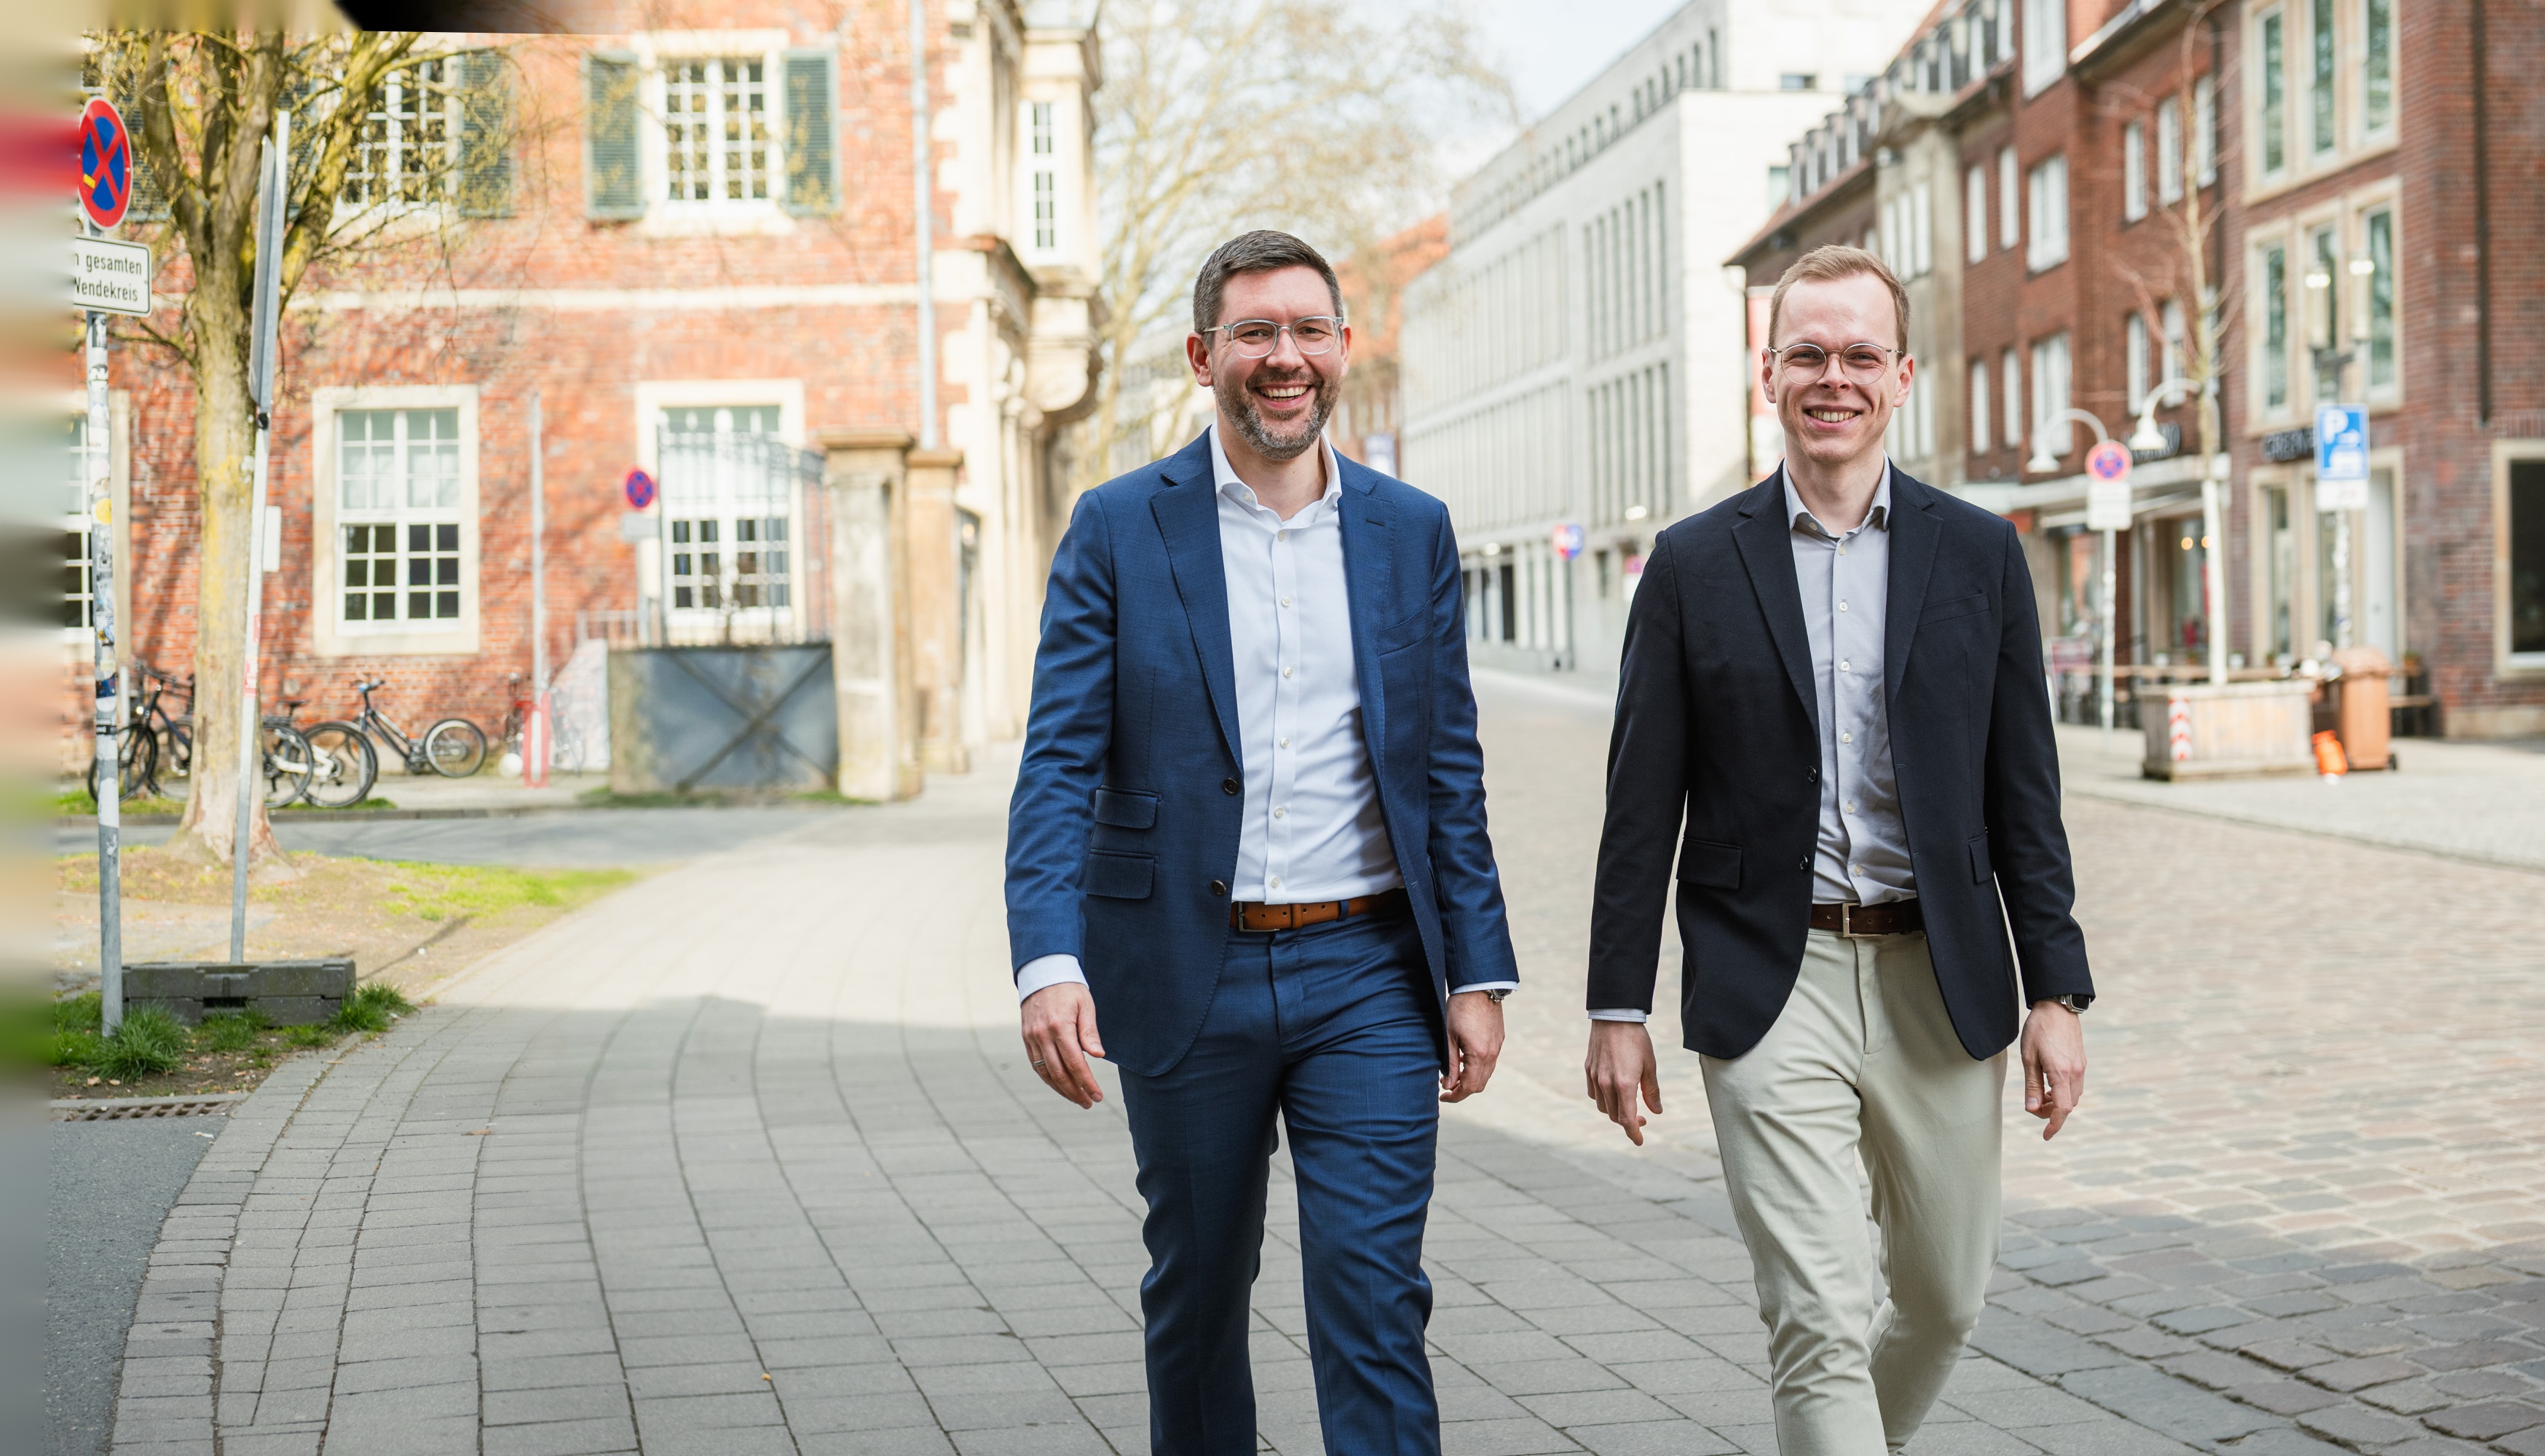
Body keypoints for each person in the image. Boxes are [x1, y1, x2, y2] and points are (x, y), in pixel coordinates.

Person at [1006, 229, 1518, 1456]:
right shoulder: (1119, 527)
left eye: (1307, 330)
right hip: (1185, 968)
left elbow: (1446, 767)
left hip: (1370, 974)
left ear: (1342, 348)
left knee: (1373, 1296)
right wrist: (1048, 961)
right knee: (1196, 1293)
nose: (1284, 357)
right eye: (1254, 333)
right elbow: (1059, 761)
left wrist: (1478, 973)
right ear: (1203, 357)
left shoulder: (1410, 529)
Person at [1580, 245, 2095, 1455]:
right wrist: (1617, 1006)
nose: (1835, 378)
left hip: (1941, 976)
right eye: (1807, 353)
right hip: (1771, 975)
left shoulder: (1982, 556)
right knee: (1816, 1318)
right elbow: (1639, 805)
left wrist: (2057, 991)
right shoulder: (1693, 565)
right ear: (1768, 375)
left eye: (1862, 354)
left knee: (1944, 1298)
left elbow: (2026, 794)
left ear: (1903, 376)